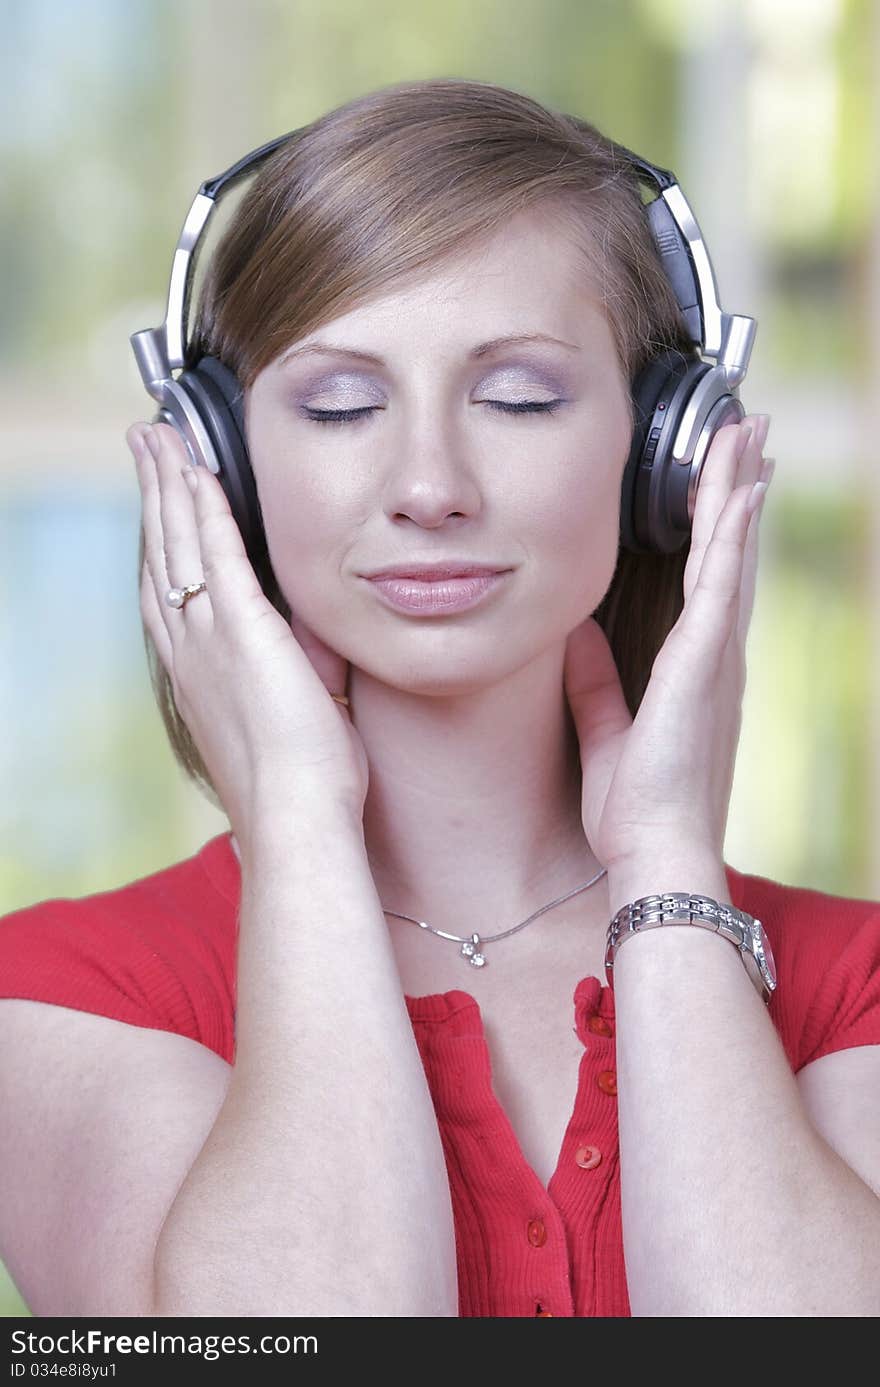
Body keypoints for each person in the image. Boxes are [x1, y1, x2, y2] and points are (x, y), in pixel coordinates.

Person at [1, 77, 879, 1320]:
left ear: (663, 450)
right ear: (223, 464)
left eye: (518, 396)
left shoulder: (855, 983)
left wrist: (668, 860)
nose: (428, 484)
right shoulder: (59, 991)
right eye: (340, 404)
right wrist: (301, 830)